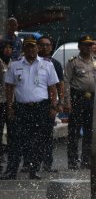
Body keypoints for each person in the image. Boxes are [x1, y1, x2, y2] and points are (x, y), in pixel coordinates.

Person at [1, 37, 60, 180]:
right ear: (23, 49)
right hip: (21, 107)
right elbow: (9, 87)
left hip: (40, 107)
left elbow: (53, 87)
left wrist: (54, 106)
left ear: (37, 48)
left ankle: (34, 170)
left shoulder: (47, 65)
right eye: (28, 47)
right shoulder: (15, 65)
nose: (31, 50)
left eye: (33, 47)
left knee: (37, 140)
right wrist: (10, 107)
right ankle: (12, 170)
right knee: (15, 139)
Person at [65, 35, 96, 170]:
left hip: (92, 98)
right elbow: (66, 82)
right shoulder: (73, 62)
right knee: (74, 130)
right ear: (79, 47)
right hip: (77, 98)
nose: (88, 47)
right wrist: (67, 101)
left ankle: (86, 160)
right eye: (85, 45)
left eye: (90, 45)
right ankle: (72, 161)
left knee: (89, 131)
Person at [37, 36, 65, 172]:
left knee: (47, 135)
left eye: (48, 45)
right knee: (32, 135)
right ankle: (31, 164)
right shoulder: (30, 62)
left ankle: (47, 163)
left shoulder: (55, 63)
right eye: (42, 45)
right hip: (34, 103)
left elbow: (60, 85)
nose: (45, 48)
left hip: (49, 104)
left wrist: (59, 103)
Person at [0, 41, 10, 172]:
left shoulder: (13, 62)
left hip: (8, 101)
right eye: (5, 48)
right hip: (2, 100)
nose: (8, 50)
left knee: (12, 132)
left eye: (10, 47)